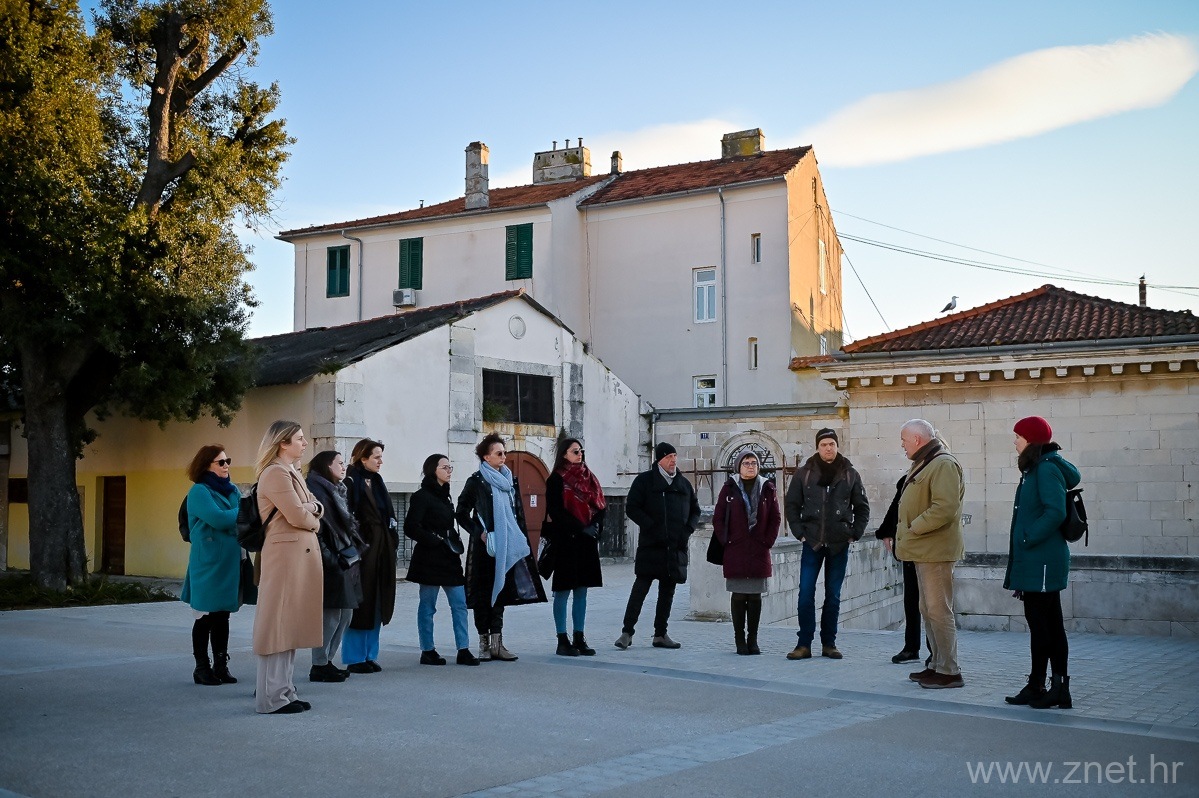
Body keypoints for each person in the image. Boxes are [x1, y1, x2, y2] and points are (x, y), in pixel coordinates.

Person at [1003, 416, 1080, 710]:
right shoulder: (1037, 467)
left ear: (1031, 440)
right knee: (1049, 625)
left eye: (1019, 436)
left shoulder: (1046, 469)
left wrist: (1027, 537)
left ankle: (1048, 686)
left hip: (1042, 561)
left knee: (1043, 627)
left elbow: (1055, 512)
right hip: (1038, 560)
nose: (1015, 441)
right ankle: (1047, 686)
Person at [252, 420, 324, 714]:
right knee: (277, 625)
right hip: (284, 557)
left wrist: (312, 509)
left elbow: (315, 505)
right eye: (299, 439)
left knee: (290, 625)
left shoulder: (291, 471)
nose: (305, 443)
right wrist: (312, 515)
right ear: (283, 442)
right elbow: (297, 515)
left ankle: (285, 691)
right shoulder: (275, 473)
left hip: (296, 557)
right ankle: (271, 698)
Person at [456, 433, 547, 662]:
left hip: (506, 545)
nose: (504, 457)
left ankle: (497, 644)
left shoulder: (508, 481)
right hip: (485, 547)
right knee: (482, 594)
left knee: (501, 593)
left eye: (504, 452)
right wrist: (479, 532)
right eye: (499, 453)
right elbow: (461, 512)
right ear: (486, 457)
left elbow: (516, 514)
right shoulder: (476, 481)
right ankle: (484, 644)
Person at [784, 429, 870, 660]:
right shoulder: (804, 473)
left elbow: (862, 507)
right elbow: (791, 505)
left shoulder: (849, 473)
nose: (828, 448)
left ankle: (829, 644)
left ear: (837, 446)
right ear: (818, 447)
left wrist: (854, 533)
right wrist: (799, 533)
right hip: (811, 541)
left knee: (833, 595)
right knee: (805, 593)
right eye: (823, 444)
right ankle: (804, 644)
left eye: (831, 443)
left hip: (839, 543)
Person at [896, 419, 966, 689]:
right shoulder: (926, 461)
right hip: (924, 549)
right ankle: (936, 664)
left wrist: (915, 526)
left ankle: (949, 671)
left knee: (939, 610)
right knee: (928, 609)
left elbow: (945, 507)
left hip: (935, 550)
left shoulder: (943, 463)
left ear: (917, 439)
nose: (902, 446)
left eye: (904, 440)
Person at [616, 442, 700, 650]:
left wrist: (687, 531)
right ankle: (627, 632)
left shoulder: (683, 484)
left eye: (675, 456)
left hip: (675, 547)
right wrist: (650, 526)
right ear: (659, 459)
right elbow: (632, 508)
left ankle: (660, 634)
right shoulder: (644, 481)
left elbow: (695, 511)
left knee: (667, 593)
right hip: (651, 545)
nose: (673, 460)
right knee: (640, 590)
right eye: (669, 456)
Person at [405, 453, 479, 666]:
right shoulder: (421, 496)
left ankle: (463, 649)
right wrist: (433, 540)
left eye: (450, 467)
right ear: (433, 470)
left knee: (460, 604)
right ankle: (427, 650)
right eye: (444, 467)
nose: (449, 471)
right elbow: (410, 527)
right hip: (429, 558)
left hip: (449, 558)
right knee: (428, 606)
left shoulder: (446, 496)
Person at [180, 444, 244, 686]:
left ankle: (221, 665)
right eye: (221, 462)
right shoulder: (199, 491)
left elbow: (237, 517)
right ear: (206, 465)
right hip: (207, 564)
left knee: (222, 616)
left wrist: (237, 515)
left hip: (230, 562)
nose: (226, 465)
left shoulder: (232, 489)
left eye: (228, 460)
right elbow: (219, 519)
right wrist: (241, 513)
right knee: (205, 617)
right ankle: (201, 667)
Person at [712, 451, 780, 655]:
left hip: (759, 548)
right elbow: (718, 517)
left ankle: (753, 639)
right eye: (746, 463)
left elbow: (775, 517)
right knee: (739, 596)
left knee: (755, 597)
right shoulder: (729, 488)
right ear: (738, 467)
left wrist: (767, 541)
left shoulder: (767, 487)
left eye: (754, 463)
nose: (751, 466)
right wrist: (726, 540)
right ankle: (739, 639)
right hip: (736, 548)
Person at [305, 450, 364, 683]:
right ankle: (319, 664)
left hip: (344, 557)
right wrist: (330, 557)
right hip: (329, 559)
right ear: (327, 466)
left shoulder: (338, 489)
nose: (343, 466)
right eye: (339, 463)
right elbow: (316, 529)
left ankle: (328, 660)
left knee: (346, 613)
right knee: (331, 614)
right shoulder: (315, 489)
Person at [542, 438, 605, 657]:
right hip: (566, 541)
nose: (580, 455)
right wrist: (580, 528)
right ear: (564, 454)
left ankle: (579, 637)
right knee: (562, 590)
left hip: (586, 542)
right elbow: (556, 511)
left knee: (582, 590)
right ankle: (562, 640)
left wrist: (595, 526)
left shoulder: (589, 477)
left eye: (581, 451)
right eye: (575, 451)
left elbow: (600, 505)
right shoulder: (556, 479)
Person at [343, 438, 398, 674]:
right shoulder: (350, 482)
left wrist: (391, 540)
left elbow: (388, 515)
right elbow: (347, 516)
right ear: (363, 458)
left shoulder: (377, 481)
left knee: (378, 600)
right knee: (360, 603)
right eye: (376, 457)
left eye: (381, 457)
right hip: (363, 551)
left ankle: (369, 654)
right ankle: (354, 657)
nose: (380, 461)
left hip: (381, 549)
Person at [874, 474, 929, 665]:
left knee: (933, 603)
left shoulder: (939, 473)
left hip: (931, 547)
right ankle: (911, 648)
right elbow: (897, 505)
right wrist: (887, 531)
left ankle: (937, 652)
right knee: (911, 599)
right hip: (910, 546)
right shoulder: (910, 477)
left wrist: (915, 528)